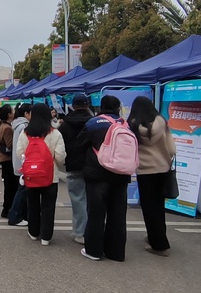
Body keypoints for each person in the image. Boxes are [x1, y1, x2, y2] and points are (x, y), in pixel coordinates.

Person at [76, 95, 131, 262]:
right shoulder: (125, 124)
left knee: (96, 213)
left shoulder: (94, 123)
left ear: (101, 106)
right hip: (121, 174)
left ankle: (94, 250)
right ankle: (116, 252)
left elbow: (80, 144)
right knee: (118, 214)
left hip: (97, 174)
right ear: (117, 107)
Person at [128, 96, 177, 257]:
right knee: (159, 207)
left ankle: (159, 245)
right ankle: (158, 237)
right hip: (163, 169)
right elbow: (172, 149)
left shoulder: (133, 126)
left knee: (149, 209)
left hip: (145, 171)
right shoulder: (161, 122)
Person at [18, 103, 66, 245]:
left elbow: (19, 153)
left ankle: (33, 232)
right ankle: (46, 237)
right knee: (48, 206)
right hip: (50, 176)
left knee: (32, 204)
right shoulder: (55, 133)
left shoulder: (25, 133)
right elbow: (60, 156)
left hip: (31, 175)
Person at [59, 94, 94, 244]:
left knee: (77, 199)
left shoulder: (65, 124)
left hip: (73, 164)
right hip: (93, 166)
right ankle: (93, 230)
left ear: (73, 106)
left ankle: (80, 231)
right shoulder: (94, 122)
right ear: (87, 105)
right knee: (92, 200)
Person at [7, 103, 31, 226]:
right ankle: (15, 216)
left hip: (18, 161)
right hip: (23, 163)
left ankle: (19, 215)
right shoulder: (24, 126)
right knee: (22, 191)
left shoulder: (17, 124)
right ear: (26, 113)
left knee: (21, 190)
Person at [0, 105, 18, 218]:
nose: (14, 113)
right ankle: (7, 209)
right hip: (8, 160)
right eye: (13, 111)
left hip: (4, 159)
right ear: (9, 114)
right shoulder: (8, 128)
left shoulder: (2, 125)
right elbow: (10, 145)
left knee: (8, 186)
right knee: (11, 186)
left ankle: (7, 208)